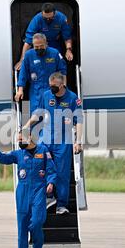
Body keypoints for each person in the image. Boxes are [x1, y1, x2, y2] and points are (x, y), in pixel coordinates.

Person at [0, 131, 57, 248]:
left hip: (38, 191)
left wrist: (51, 183)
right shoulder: (18, 154)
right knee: (22, 225)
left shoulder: (43, 151)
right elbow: (4, 158)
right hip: (23, 193)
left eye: (21, 139)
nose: (19, 142)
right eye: (18, 140)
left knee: (37, 222)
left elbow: (51, 170)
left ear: (29, 137)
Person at [23, 72, 83, 215]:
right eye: (50, 86)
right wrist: (27, 125)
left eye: (55, 86)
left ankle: (61, 205)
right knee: (41, 169)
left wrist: (78, 141)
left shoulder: (73, 98)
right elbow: (38, 114)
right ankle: (48, 197)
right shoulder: (46, 95)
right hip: (47, 139)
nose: (52, 89)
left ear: (62, 85)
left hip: (64, 142)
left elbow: (79, 121)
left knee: (62, 174)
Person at [15, 33, 67, 115]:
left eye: (41, 46)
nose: (39, 48)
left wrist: (64, 87)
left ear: (46, 43)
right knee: (35, 116)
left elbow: (63, 71)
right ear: (33, 45)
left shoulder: (55, 53)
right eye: (36, 47)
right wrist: (20, 90)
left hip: (52, 89)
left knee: (53, 115)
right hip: (35, 91)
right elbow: (23, 73)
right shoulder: (28, 55)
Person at [15, 2, 73, 70]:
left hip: (55, 44)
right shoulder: (37, 19)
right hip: (39, 45)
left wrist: (68, 50)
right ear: (42, 14)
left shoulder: (61, 18)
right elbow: (28, 41)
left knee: (57, 64)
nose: (48, 20)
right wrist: (22, 60)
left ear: (54, 13)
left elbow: (67, 37)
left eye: (50, 18)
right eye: (45, 18)